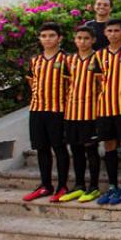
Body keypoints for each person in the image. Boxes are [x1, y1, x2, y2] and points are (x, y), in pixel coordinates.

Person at [22, 23, 70, 202]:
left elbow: (71, 85)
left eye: (51, 35)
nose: (47, 39)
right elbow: (31, 82)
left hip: (58, 110)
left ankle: (62, 185)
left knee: (59, 147)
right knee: (41, 148)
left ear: (59, 38)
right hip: (37, 110)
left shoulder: (67, 60)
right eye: (44, 36)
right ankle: (45, 185)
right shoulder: (35, 60)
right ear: (39, 39)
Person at [92, 19, 121, 205]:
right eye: (109, 30)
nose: (112, 34)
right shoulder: (99, 55)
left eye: (116, 30)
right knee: (109, 146)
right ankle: (112, 186)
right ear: (105, 33)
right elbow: (98, 81)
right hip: (105, 108)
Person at [59, 26, 102, 203]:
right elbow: (66, 85)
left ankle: (94, 186)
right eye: (79, 38)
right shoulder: (69, 60)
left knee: (90, 150)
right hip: (72, 113)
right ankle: (79, 185)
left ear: (93, 40)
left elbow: (102, 85)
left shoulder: (99, 58)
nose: (82, 41)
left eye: (86, 38)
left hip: (91, 113)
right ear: (74, 40)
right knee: (75, 150)